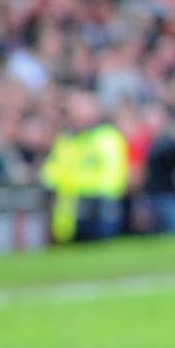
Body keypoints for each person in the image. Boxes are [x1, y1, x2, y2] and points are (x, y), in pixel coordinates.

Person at [41, 93, 132, 245]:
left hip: (101, 202)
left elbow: (114, 171)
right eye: (75, 109)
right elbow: (53, 172)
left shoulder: (107, 136)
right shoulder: (66, 140)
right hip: (71, 206)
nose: (78, 114)